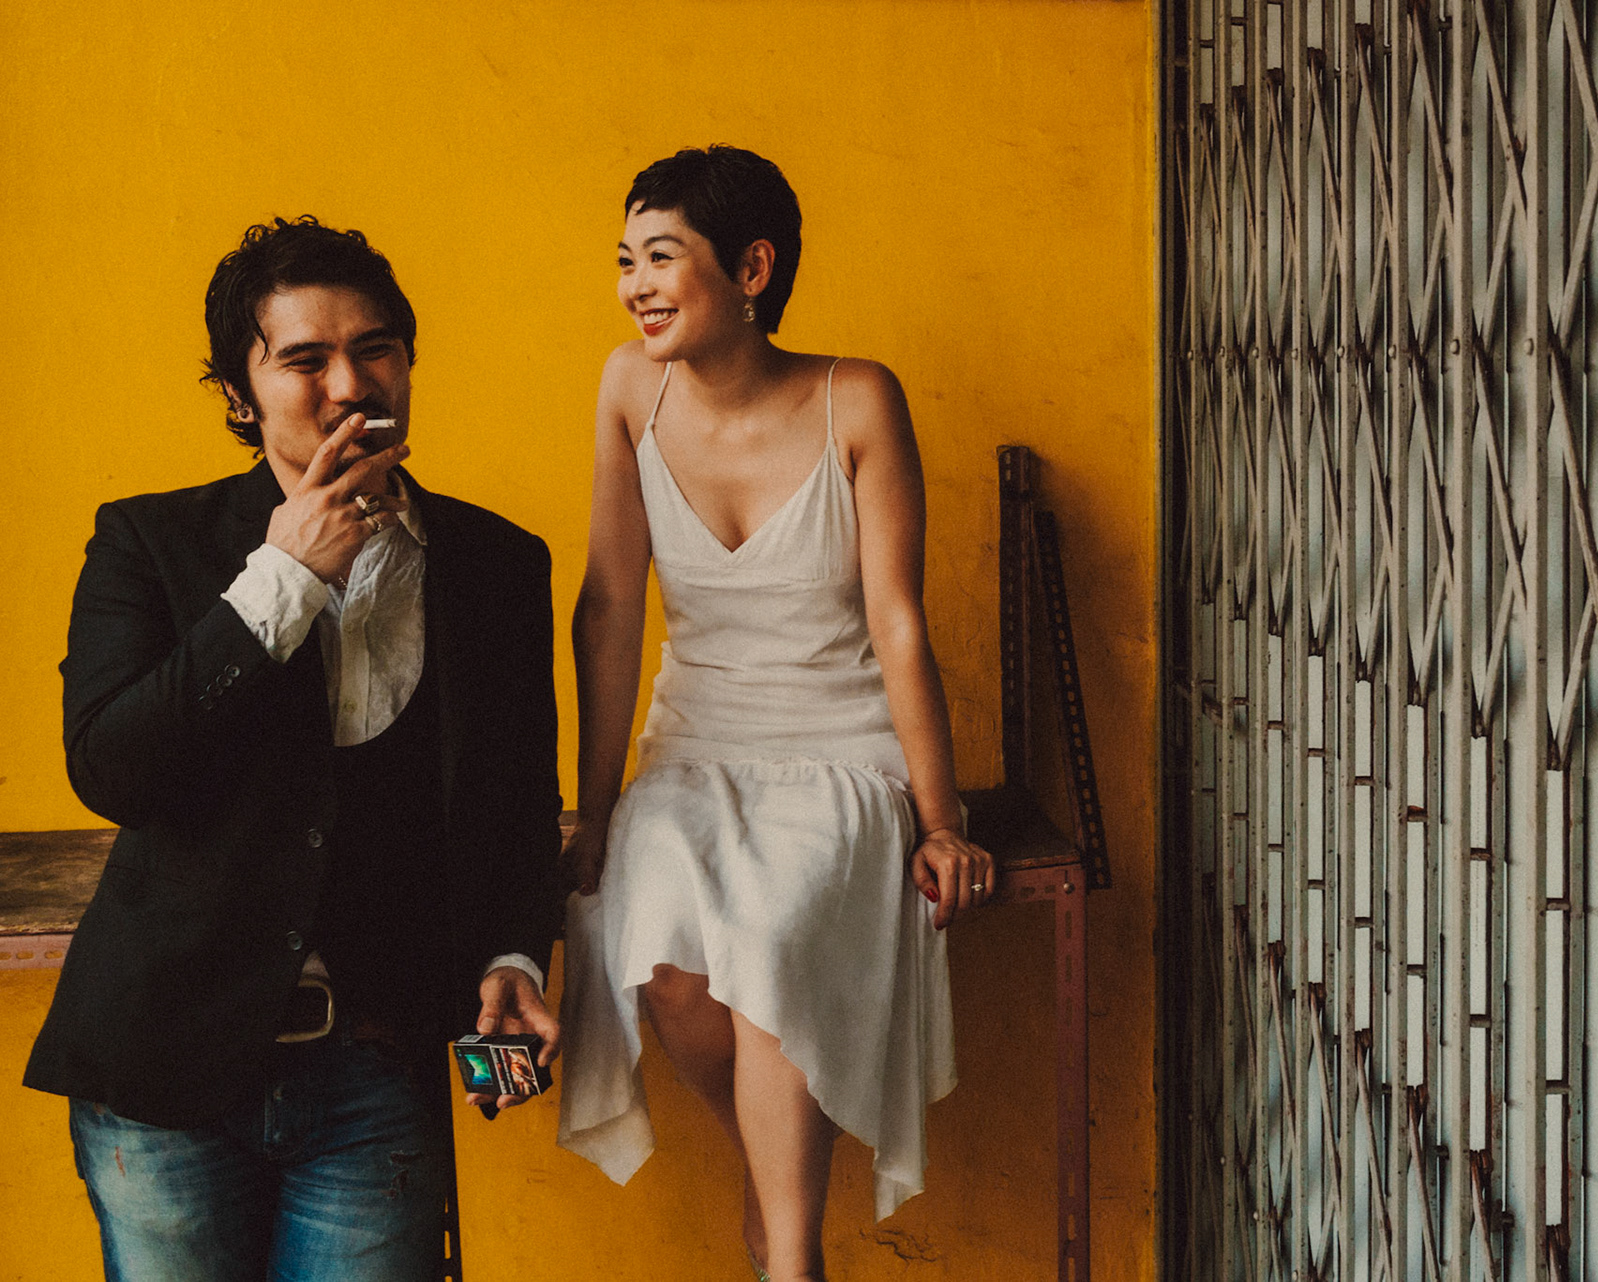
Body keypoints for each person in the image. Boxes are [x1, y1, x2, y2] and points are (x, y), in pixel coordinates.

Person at [24, 217, 564, 1282]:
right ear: (241, 394)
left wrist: (511, 959)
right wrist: (284, 581)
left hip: (377, 1070)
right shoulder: (146, 540)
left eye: (376, 349)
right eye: (306, 360)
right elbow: (112, 769)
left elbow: (512, 803)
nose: (350, 385)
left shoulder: (497, 561)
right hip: (163, 1075)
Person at [557, 146, 994, 1282]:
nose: (635, 286)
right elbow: (609, 610)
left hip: (841, 751)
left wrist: (940, 820)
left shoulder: (860, 397)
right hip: (693, 746)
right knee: (656, 949)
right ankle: (774, 1199)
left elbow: (898, 622)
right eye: (625, 260)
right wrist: (594, 811)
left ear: (751, 269)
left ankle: (789, 1260)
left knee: (770, 932)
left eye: (662, 258)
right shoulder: (628, 387)